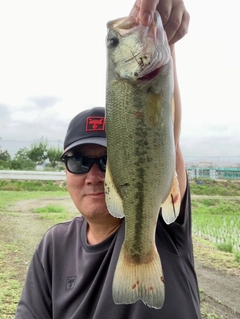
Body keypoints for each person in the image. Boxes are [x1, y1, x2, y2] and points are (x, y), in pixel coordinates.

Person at [15, 1, 201, 318]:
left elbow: (167, 131)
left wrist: (165, 39)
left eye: (106, 161)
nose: (93, 175)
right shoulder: (53, 247)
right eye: (77, 161)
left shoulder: (162, 225)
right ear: (64, 171)